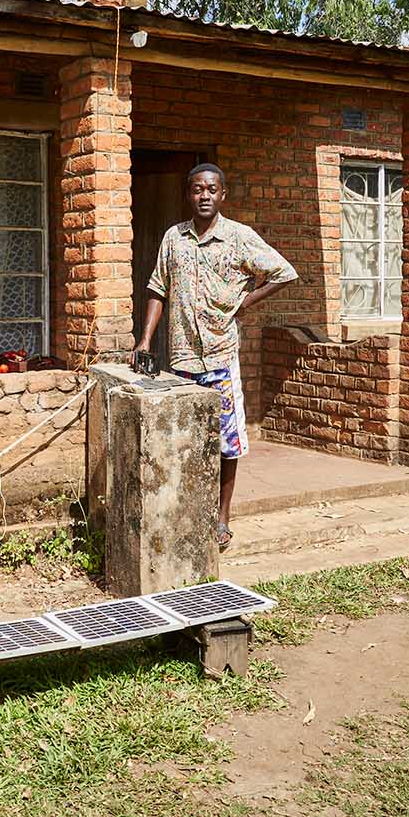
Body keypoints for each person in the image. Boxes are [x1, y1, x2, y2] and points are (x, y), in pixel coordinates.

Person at [136, 163, 297, 550]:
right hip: (181, 360)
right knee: (185, 442)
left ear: (223, 194)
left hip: (220, 358)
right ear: (188, 195)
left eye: (211, 189)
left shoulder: (239, 238)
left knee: (227, 441)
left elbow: (283, 272)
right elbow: (158, 289)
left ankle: (222, 516)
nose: (203, 195)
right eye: (196, 189)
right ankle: (185, 512)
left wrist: (246, 301)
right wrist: (144, 342)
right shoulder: (174, 238)